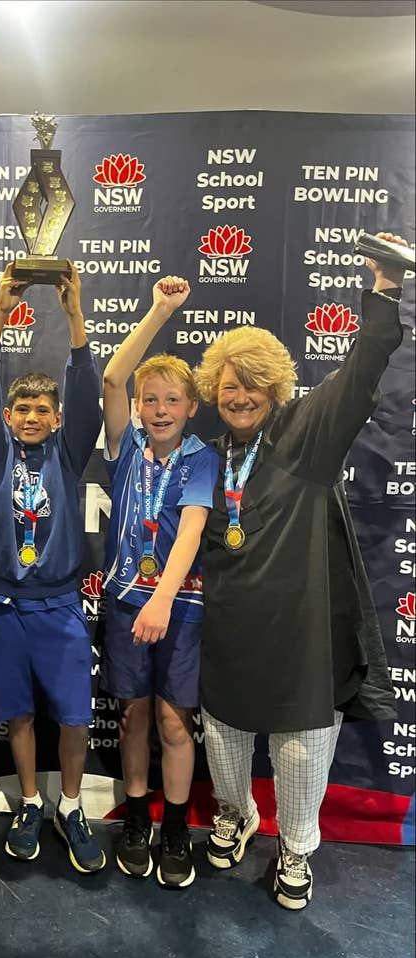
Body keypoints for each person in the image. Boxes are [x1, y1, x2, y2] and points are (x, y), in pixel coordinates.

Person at [191, 232, 407, 910]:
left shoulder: (307, 433)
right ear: (213, 391)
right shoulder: (206, 458)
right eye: (230, 385)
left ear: (276, 387)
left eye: (254, 384)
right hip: (230, 633)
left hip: (304, 635)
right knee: (224, 745)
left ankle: (295, 848)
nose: (241, 396)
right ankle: (234, 818)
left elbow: (360, 372)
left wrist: (385, 290)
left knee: (301, 752)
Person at [0, 261, 106, 873]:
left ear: (58, 418)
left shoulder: (69, 456)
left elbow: (87, 391)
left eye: (43, 409)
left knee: (73, 715)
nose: (31, 417)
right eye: (21, 408)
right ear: (8, 416)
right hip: (4, 607)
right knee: (17, 712)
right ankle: (29, 801)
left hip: (61, 605)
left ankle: (70, 805)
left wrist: (74, 316)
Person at [100, 276, 218, 888]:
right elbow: (111, 379)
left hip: (179, 606)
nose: (161, 409)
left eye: (173, 400)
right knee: (133, 718)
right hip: (126, 602)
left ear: (191, 407)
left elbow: (193, 530)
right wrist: (159, 311)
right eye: (151, 400)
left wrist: (163, 601)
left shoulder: (201, 457)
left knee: (175, 722)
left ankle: (174, 826)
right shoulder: (126, 448)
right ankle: (137, 819)